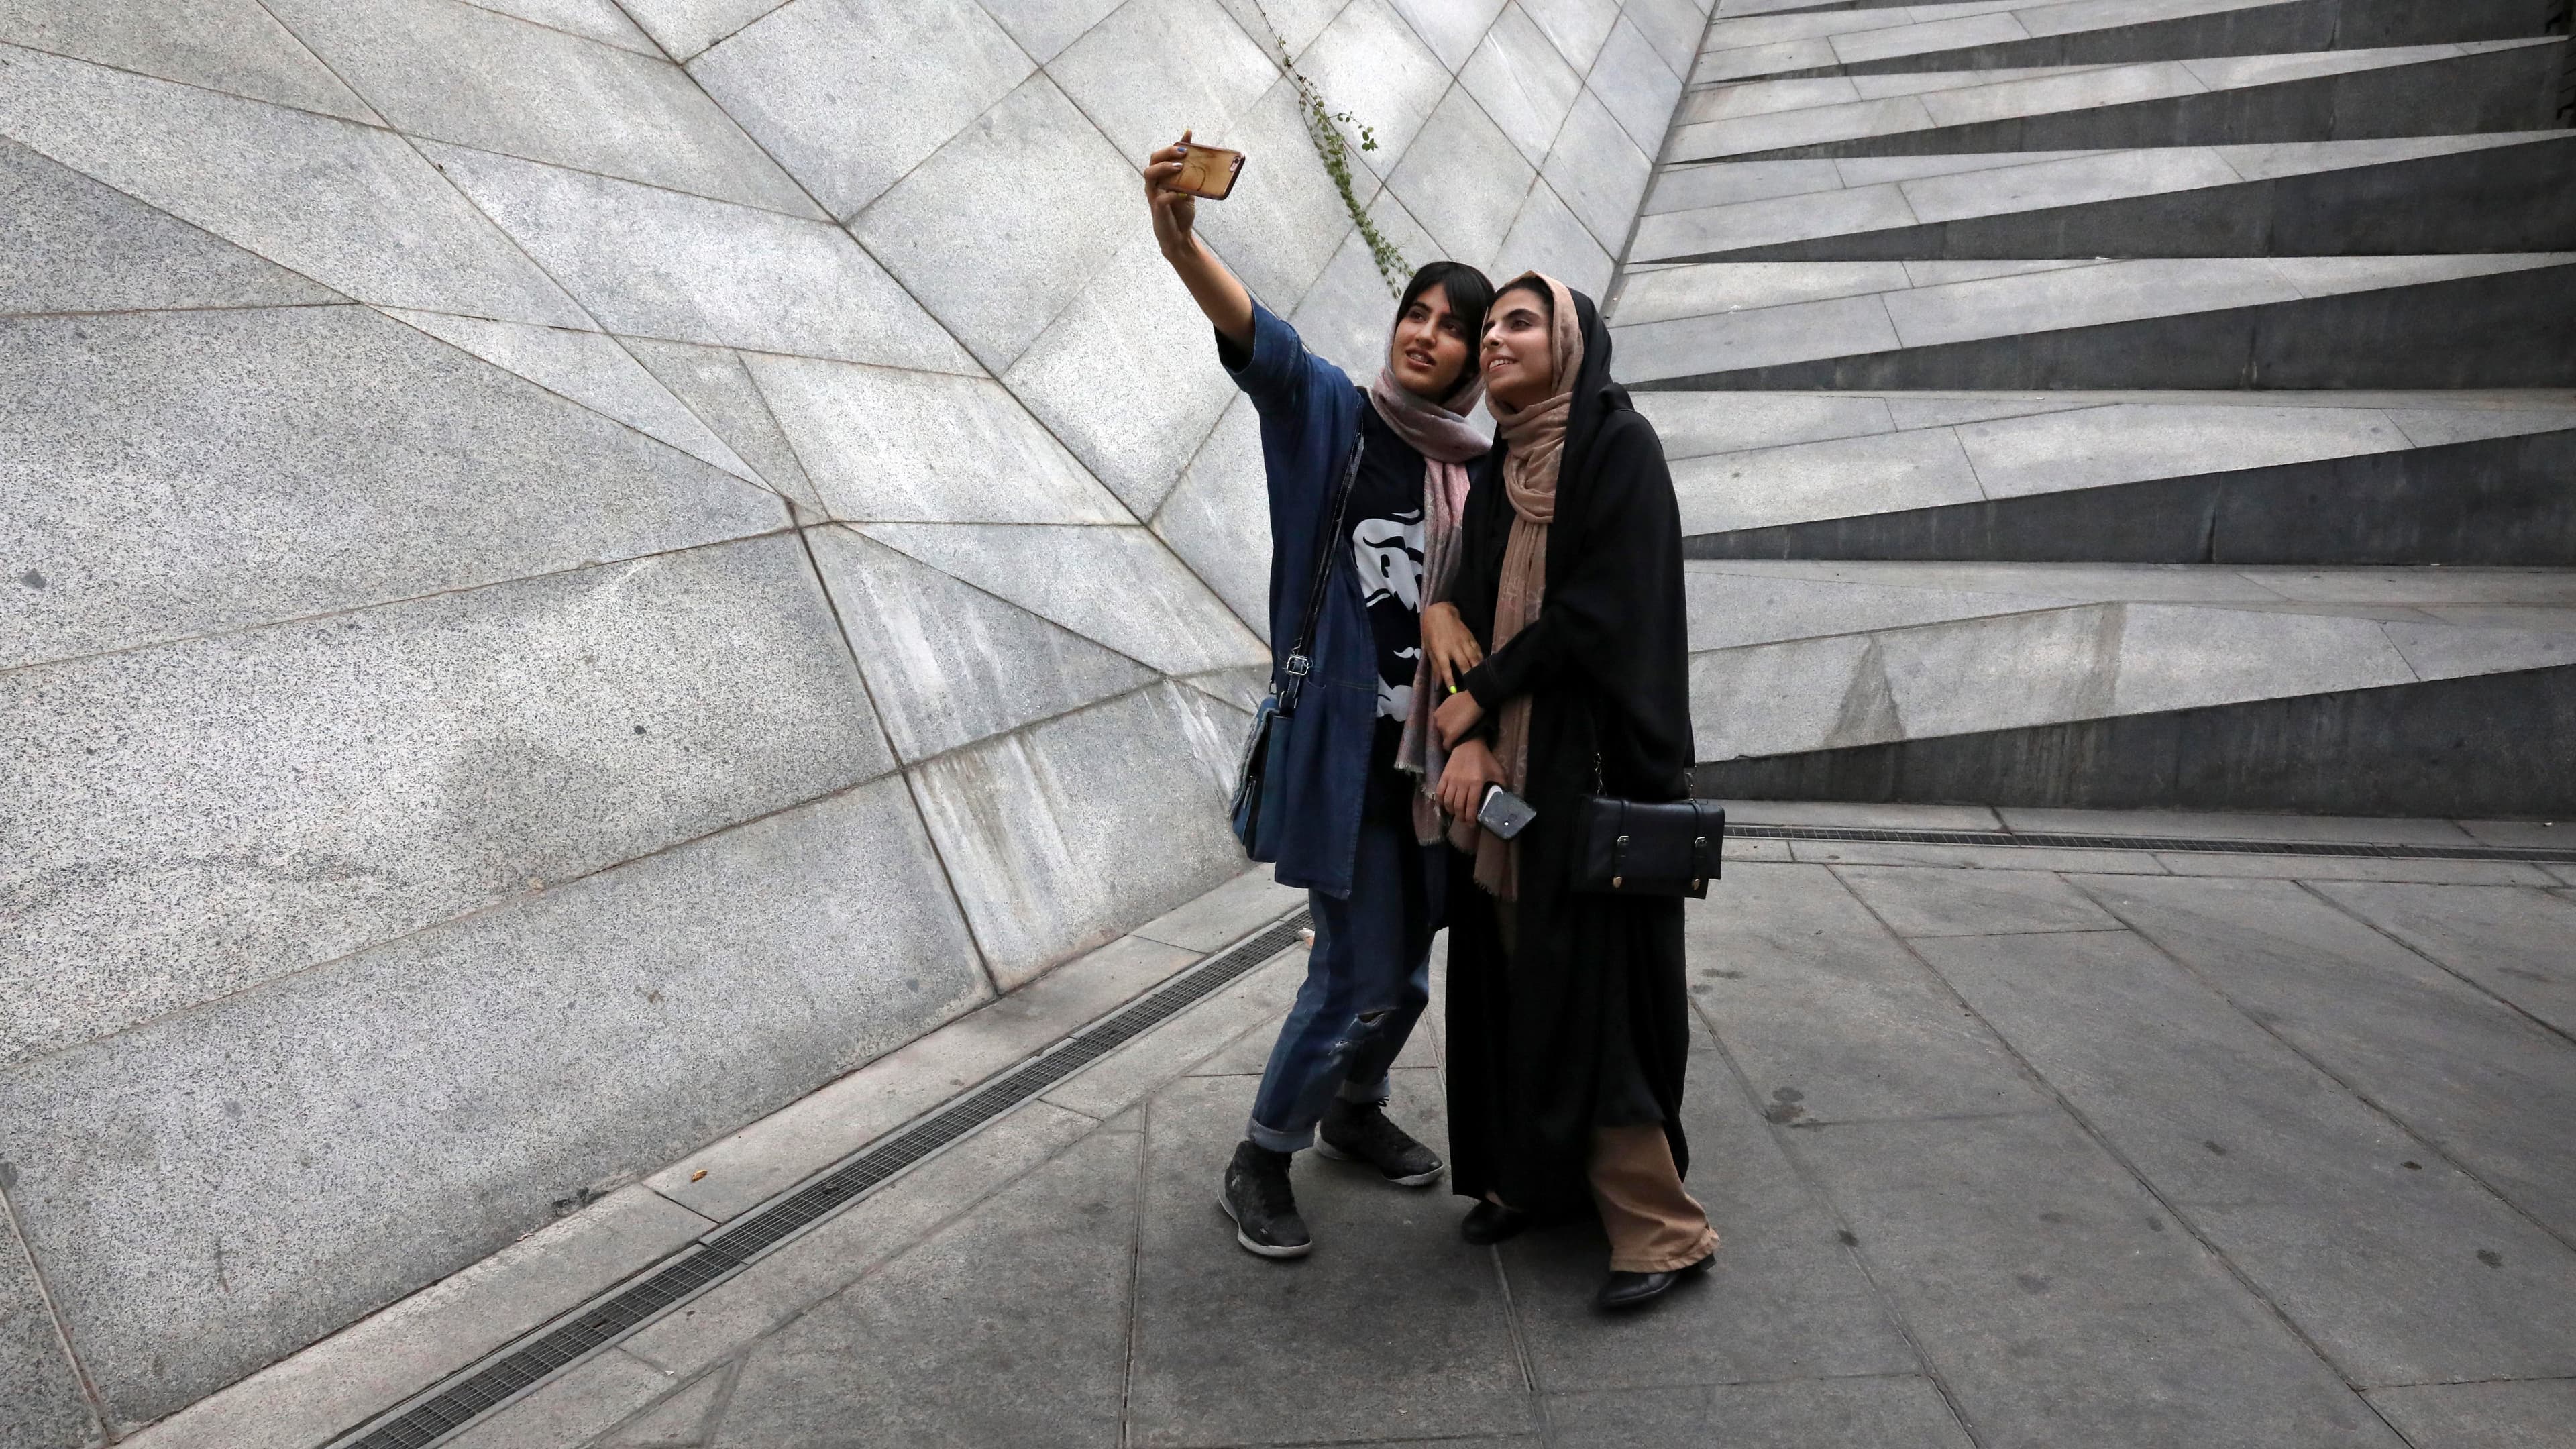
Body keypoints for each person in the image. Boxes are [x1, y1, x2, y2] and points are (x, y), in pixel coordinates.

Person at [1143, 135, 1495, 1259]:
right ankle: (1262, 1153)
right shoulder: (1334, 420)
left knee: (1407, 977)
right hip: (1347, 745)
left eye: (1452, 326)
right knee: (1352, 969)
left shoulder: (1474, 475)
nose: (1427, 333)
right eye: (1418, 311)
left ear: (1473, 361)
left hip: (1432, 761)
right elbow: (1262, 343)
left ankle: (1352, 1108)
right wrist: (1179, 236)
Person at [1428, 272, 1719, 1309]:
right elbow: (1467, 592)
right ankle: (1532, 1179)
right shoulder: (1510, 456)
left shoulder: (1616, 450)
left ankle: (1660, 1231)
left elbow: (1601, 614)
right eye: (1490, 325)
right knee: (1512, 983)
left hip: (1589, 776)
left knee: (1596, 1003)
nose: (1493, 340)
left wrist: (1484, 694)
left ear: (1573, 342)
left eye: (1520, 322)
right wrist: (1454, 669)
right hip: (1511, 776)